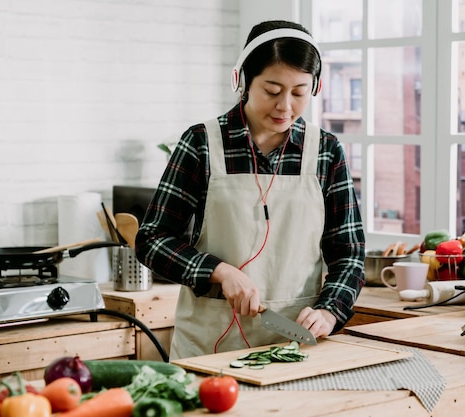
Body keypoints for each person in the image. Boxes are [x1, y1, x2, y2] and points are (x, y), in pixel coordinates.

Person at [136, 20, 365, 360]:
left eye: (299, 92)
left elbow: (349, 253)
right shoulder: (201, 144)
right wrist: (219, 271)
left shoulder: (326, 151)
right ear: (242, 81)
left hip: (292, 344)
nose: (285, 106)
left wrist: (330, 311)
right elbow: (152, 240)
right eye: (272, 90)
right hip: (207, 346)